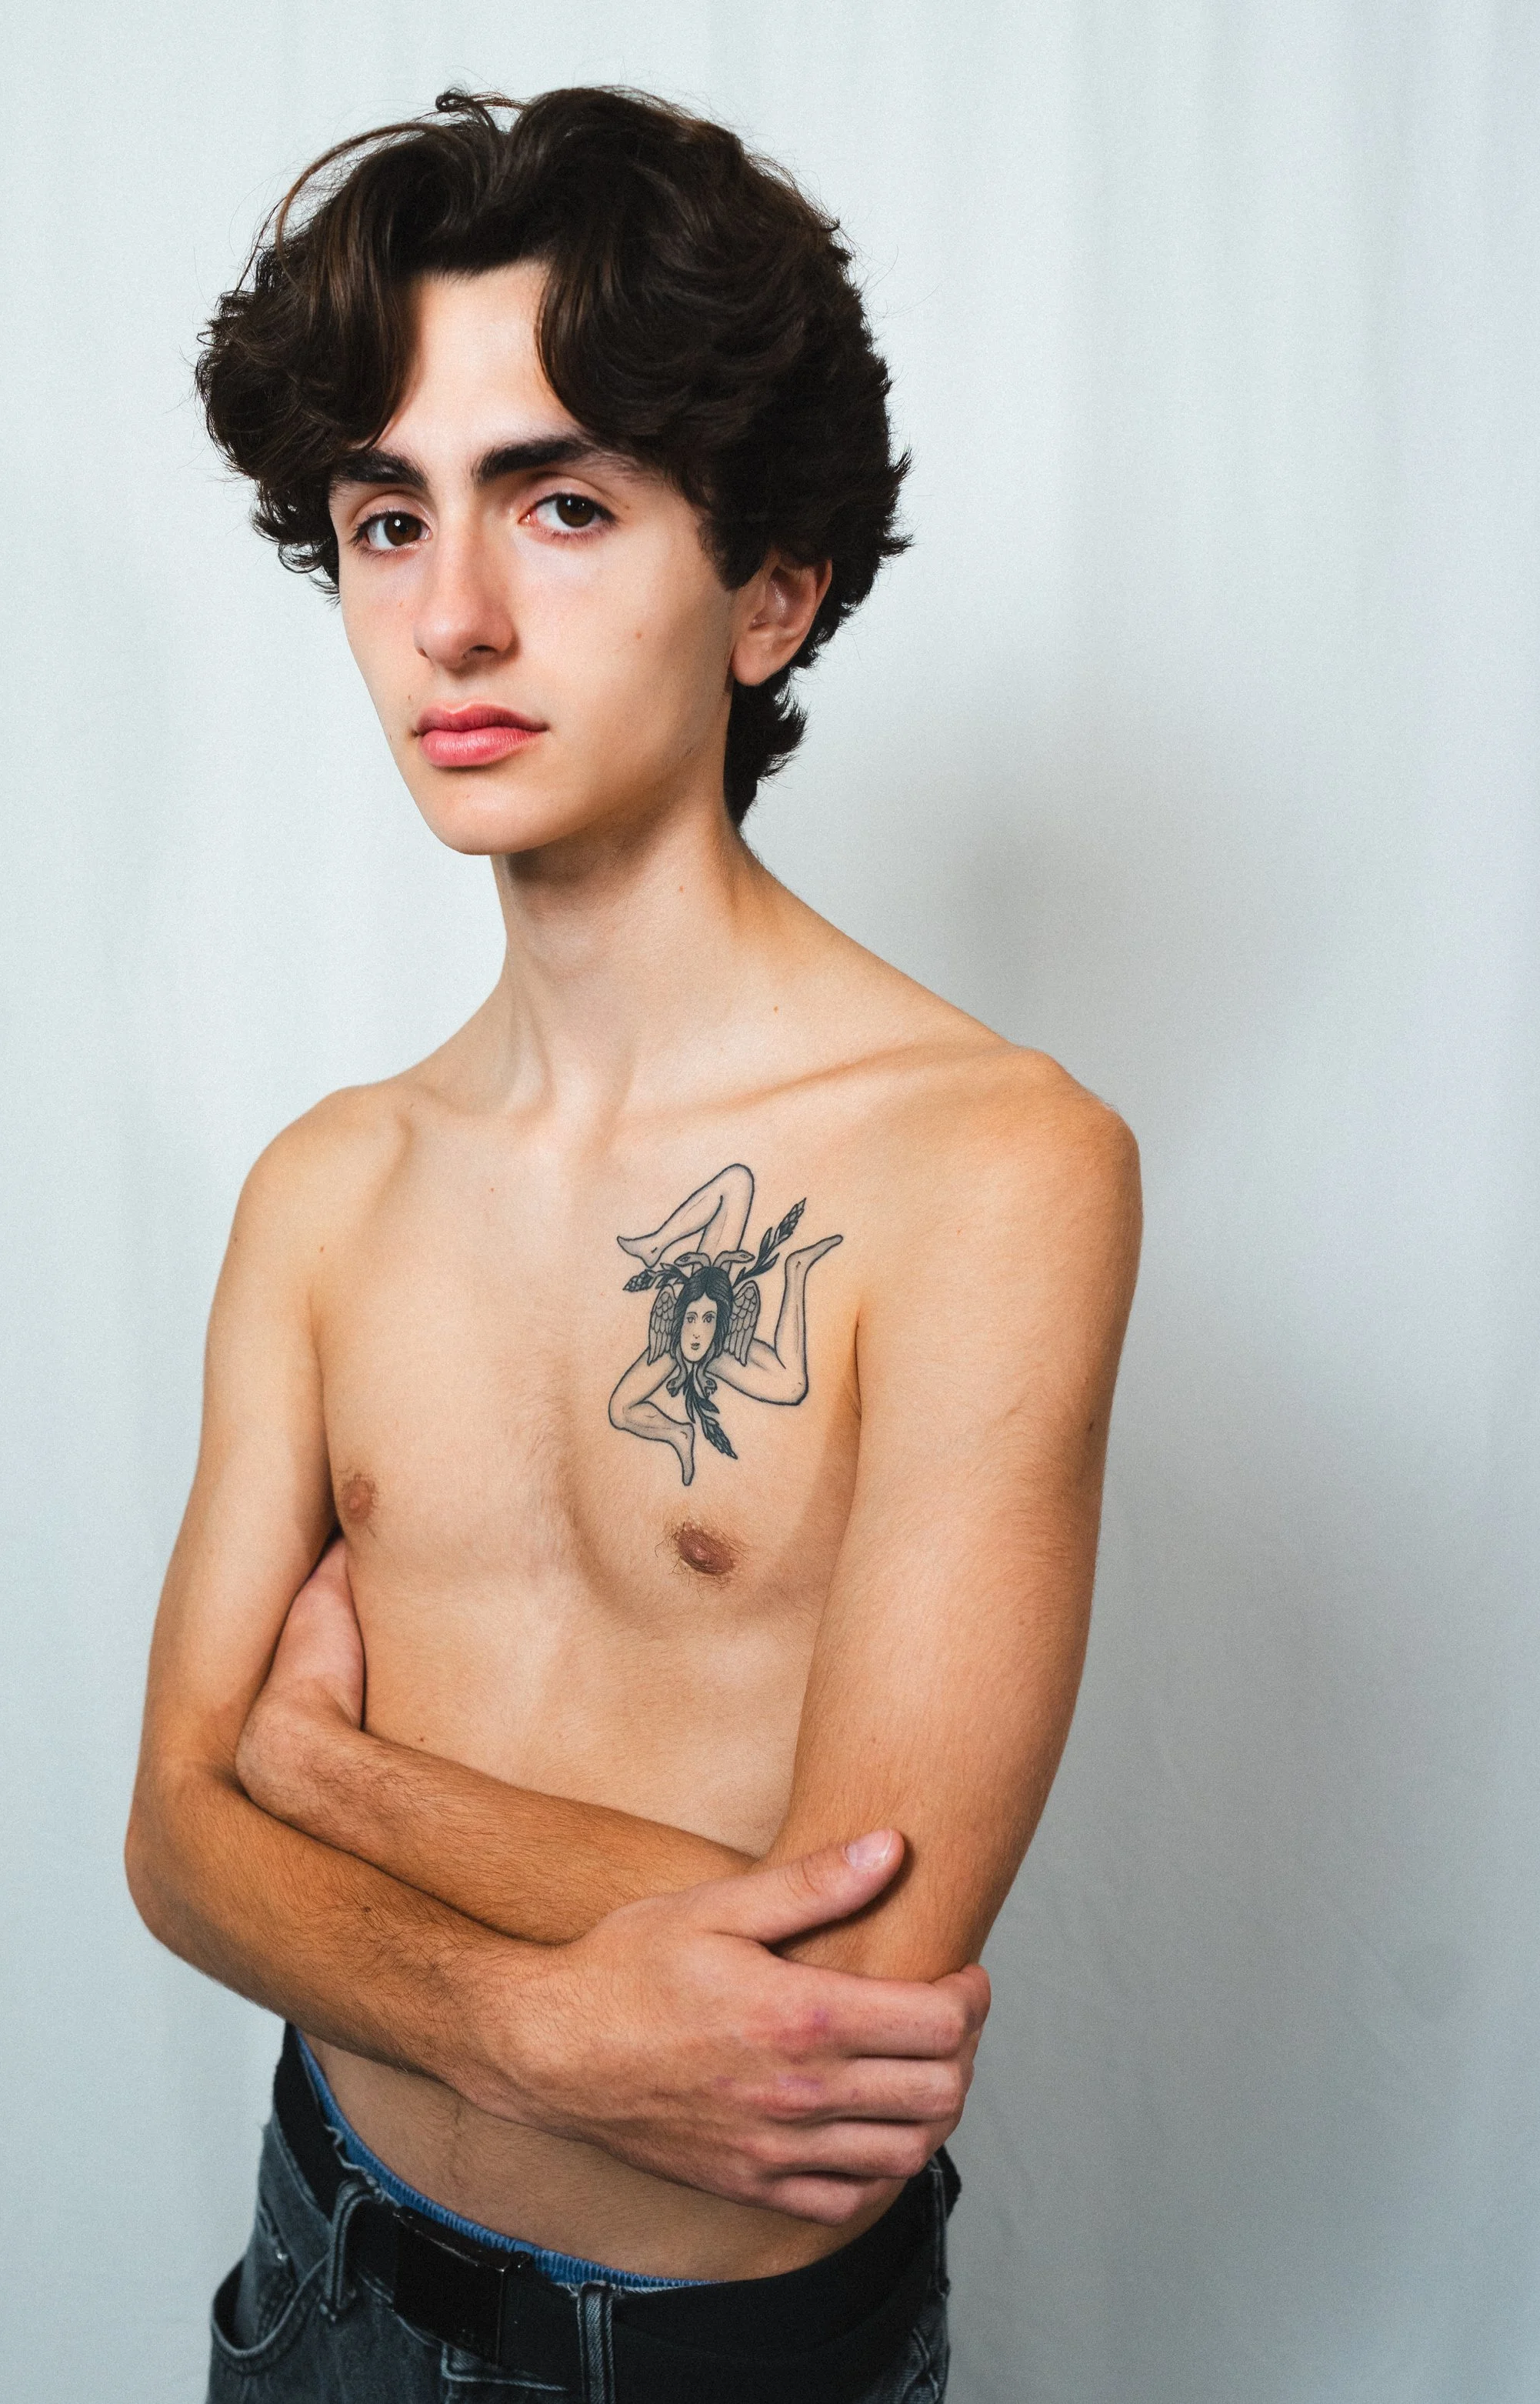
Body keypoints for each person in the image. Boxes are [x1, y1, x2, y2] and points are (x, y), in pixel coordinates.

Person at [126, 85, 1141, 2404]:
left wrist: (331, 1779)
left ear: (770, 588)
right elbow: (172, 1837)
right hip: (320, 2267)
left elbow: (853, 1988)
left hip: (714, 2358)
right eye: (389, 519)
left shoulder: (994, 1164)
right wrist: (524, 2020)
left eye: (561, 503)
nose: (453, 615)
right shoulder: (329, 1185)